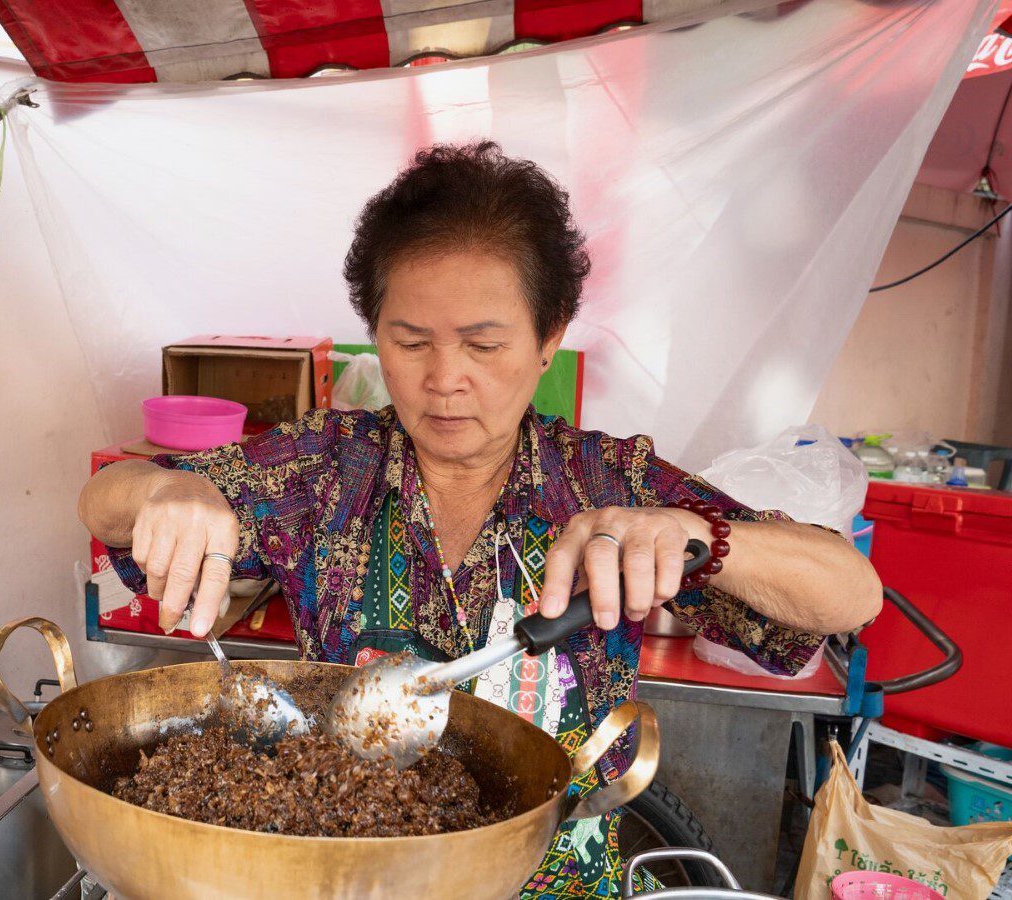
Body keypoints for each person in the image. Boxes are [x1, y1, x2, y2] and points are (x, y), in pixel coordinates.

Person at [78, 141, 881, 895]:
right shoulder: (323, 468)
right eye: (411, 340)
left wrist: (693, 534)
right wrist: (162, 493)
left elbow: (850, 593)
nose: (444, 379)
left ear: (548, 340)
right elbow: (104, 504)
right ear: (376, 338)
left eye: (484, 344)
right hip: (346, 871)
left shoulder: (608, 481)